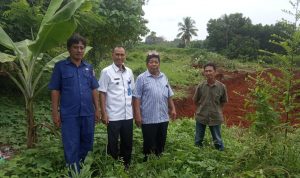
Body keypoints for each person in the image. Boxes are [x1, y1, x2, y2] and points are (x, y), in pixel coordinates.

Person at [48, 33, 100, 171]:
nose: (79, 50)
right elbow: (55, 90)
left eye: (82, 47)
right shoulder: (60, 67)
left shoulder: (89, 67)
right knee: (71, 146)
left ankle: (84, 172)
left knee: (87, 145)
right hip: (69, 115)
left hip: (88, 114)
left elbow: (94, 88)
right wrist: (55, 113)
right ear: (69, 49)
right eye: (75, 47)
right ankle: (74, 174)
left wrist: (98, 109)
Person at [133, 51, 176, 162]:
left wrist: (173, 109)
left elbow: (169, 94)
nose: (154, 64)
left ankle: (158, 163)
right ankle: (147, 164)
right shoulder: (141, 78)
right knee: (148, 145)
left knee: (161, 143)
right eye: (151, 62)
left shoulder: (164, 77)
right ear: (147, 64)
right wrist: (137, 116)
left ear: (159, 64)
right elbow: (136, 98)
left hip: (163, 117)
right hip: (148, 119)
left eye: (156, 62)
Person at [98, 46, 134, 168]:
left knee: (127, 142)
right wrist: (104, 113)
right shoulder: (106, 72)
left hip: (128, 114)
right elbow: (102, 93)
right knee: (113, 143)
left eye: (122, 54)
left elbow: (131, 91)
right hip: (113, 114)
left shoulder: (129, 71)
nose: (119, 57)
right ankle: (113, 166)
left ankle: (126, 165)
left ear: (125, 56)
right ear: (112, 55)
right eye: (117, 54)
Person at [193, 62, 228, 151]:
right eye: (206, 71)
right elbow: (195, 100)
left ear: (215, 72)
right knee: (198, 140)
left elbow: (223, 101)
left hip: (215, 117)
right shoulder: (200, 86)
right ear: (204, 73)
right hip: (201, 116)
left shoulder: (221, 87)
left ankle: (220, 155)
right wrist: (202, 108)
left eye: (210, 71)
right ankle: (197, 154)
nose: (208, 73)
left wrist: (217, 110)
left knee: (218, 141)